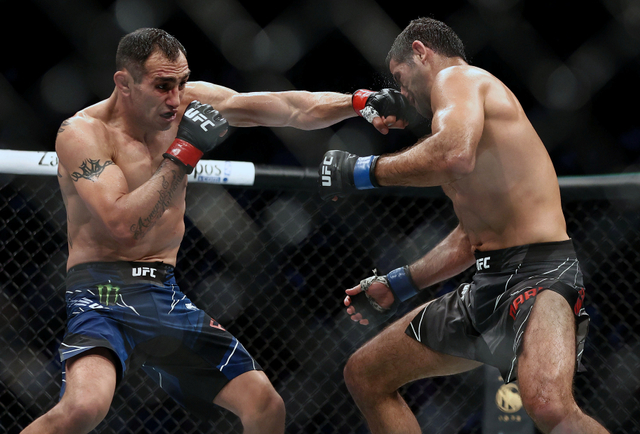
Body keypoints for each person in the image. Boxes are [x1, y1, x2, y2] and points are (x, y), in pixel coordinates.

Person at [20, 28, 410, 434]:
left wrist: (358, 102)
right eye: (162, 86)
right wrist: (185, 150)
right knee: (83, 409)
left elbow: (289, 108)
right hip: (101, 292)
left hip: (161, 290)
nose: (176, 98)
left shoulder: (187, 103)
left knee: (265, 405)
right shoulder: (83, 133)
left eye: (182, 83)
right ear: (124, 83)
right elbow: (121, 225)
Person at [318, 17, 609, 434]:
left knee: (549, 406)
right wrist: (396, 284)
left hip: (540, 276)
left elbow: (452, 153)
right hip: (486, 284)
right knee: (365, 373)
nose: (402, 91)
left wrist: (361, 171)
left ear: (421, 52)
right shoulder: (462, 121)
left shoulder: (458, 77)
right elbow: (468, 239)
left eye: (401, 78)